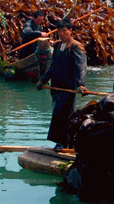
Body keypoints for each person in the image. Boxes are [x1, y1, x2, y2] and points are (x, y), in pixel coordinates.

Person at [36, 19, 87, 150]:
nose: (62, 33)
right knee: (57, 115)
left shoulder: (76, 46)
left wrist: (81, 84)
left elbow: (80, 67)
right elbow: (52, 67)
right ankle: (61, 143)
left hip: (69, 88)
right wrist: (42, 80)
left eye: (65, 31)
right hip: (56, 87)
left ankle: (66, 144)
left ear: (70, 31)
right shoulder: (58, 46)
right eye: (60, 31)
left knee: (65, 116)